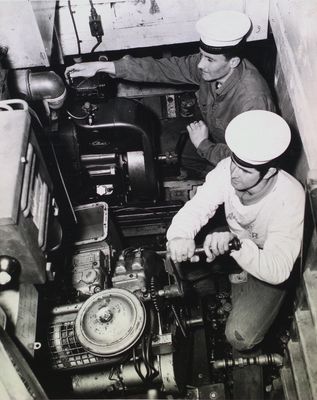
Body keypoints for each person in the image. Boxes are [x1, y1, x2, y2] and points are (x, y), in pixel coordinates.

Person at [65, 10, 276, 178]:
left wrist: (203, 145)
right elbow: (162, 68)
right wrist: (103, 67)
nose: (200, 65)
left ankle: (201, 177)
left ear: (234, 62)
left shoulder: (252, 102)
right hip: (206, 131)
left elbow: (246, 162)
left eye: (209, 60)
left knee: (167, 156)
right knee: (159, 143)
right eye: (201, 56)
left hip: (229, 160)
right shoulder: (212, 67)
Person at [166, 110, 305, 352]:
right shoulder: (228, 169)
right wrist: (179, 235)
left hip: (267, 261)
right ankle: (233, 274)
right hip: (234, 241)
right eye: (234, 163)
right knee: (174, 265)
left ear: (270, 171)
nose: (234, 174)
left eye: (245, 171)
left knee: (240, 336)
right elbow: (199, 206)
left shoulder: (290, 198)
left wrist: (235, 245)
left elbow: (279, 269)